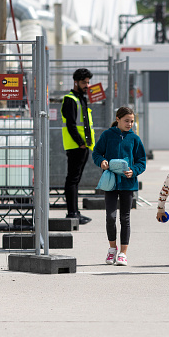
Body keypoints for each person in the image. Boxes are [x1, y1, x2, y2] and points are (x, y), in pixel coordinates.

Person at [92, 106, 147, 266]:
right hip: (110, 183)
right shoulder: (108, 135)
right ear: (118, 119)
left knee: (125, 218)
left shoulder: (135, 139)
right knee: (110, 217)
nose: (130, 124)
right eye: (126, 121)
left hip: (128, 184)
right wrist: (101, 162)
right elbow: (96, 153)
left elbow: (141, 161)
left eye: (131, 121)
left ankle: (123, 253)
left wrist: (134, 171)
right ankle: (112, 249)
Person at [61, 68, 96, 225]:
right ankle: (72, 213)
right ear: (75, 82)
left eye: (88, 82)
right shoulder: (70, 99)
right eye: (83, 82)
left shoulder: (81, 98)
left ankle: (75, 212)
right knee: (72, 180)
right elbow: (71, 125)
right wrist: (80, 143)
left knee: (75, 180)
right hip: (76, 146)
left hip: (83, 145)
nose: (87, 85)